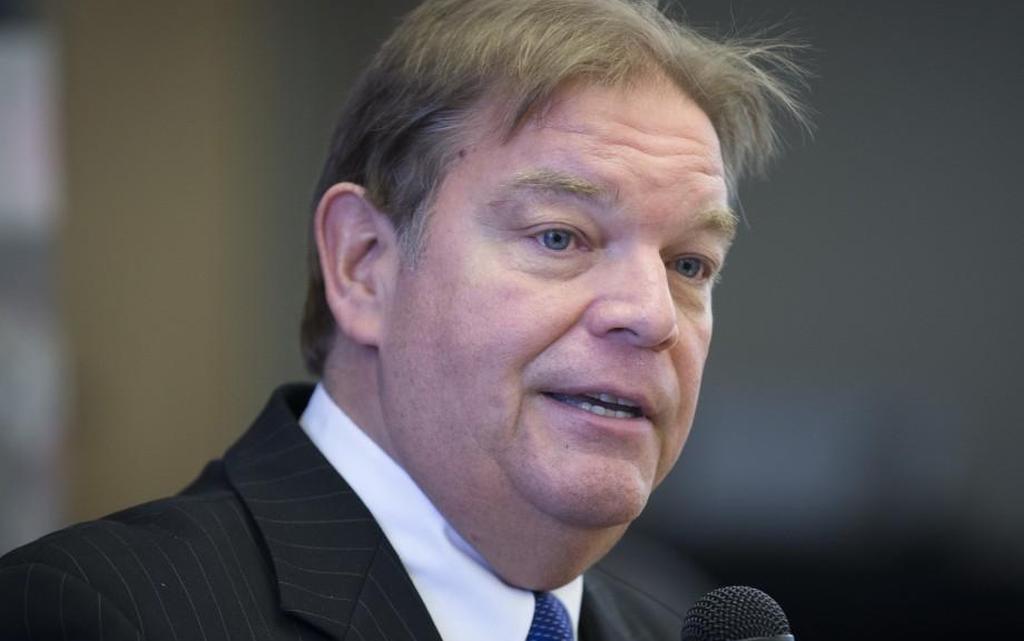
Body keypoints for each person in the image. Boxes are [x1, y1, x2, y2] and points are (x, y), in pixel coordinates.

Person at [0, 0, 807, 638]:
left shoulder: (676, 623)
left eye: (689, 263)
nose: (651, 314)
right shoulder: (102, 614)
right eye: (560, 236)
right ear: (363, 265)